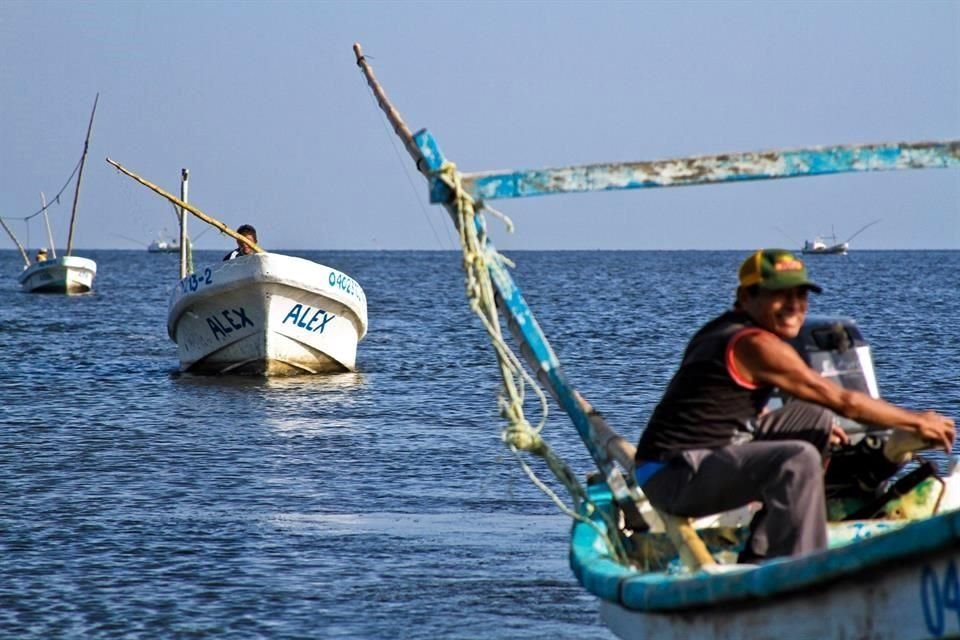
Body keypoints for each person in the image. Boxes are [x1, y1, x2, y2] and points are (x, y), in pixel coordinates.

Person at [634, 248, 955, 563]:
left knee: (814, 418)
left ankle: (763, 547)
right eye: (780, 295)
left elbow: (713, 401)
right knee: (796, 459)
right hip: (673, 477)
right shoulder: (755, 344)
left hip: (694, 458)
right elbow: (844, 401)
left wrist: (786, 423)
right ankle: (806, 564)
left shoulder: (724, 329)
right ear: (746, 297)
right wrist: (915, 421)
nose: (795, 306)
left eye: (801, 295)